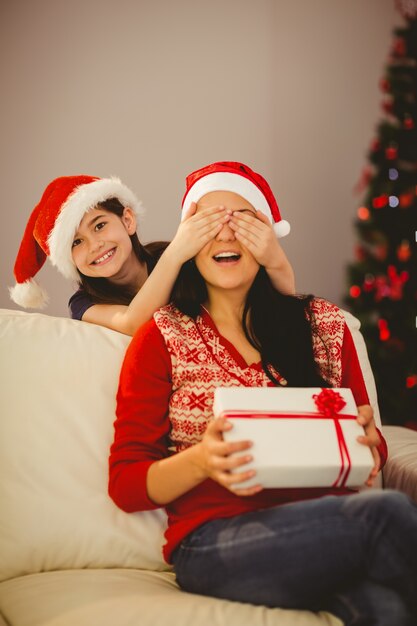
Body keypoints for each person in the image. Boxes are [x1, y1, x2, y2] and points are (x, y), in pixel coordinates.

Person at [109, 161, 417, 626]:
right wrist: (202, 461)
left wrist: (366, 446)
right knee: (386, 514)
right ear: (187, 242)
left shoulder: (325, 328)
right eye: (209, 222)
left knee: (386, 609)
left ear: (270, 236)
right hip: (215, 542)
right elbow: (126, 485)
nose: (227, 233)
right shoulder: (162, 337)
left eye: (244, 220)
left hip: (327, 527)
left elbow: (365, 464)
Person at [9, 171, 295, 335]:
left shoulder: (171, 258)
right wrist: (176, 254)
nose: (94, 245)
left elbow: (270, 302)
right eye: (76, 243)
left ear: (128, 220)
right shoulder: (83, 303)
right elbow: (133, 323)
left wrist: (273, 257)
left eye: (99, 226)